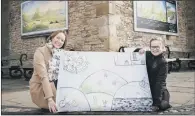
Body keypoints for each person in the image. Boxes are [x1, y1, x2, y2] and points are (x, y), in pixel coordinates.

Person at [29, 30, 68, 113]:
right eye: (58, 38)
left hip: (55, 84)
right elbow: (43, 76)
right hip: (41, 88)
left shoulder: (61, 54)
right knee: (56, 109)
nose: (59, 41)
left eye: (62, 40)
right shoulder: (40, 51)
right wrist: (50, 99)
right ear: (52, 37)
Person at [134, 38, 171, 111]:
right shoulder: (147, 54)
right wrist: (139, 50)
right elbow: (135, 52)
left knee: (162, 105)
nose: (155, 49)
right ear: (150, 47)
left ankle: (161, 101)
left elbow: (160, 83)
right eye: (153, 47)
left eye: (157, 47)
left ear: (163, 48)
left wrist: (156, 103)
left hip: (159, 90)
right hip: (147, 88)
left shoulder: (163, 63)